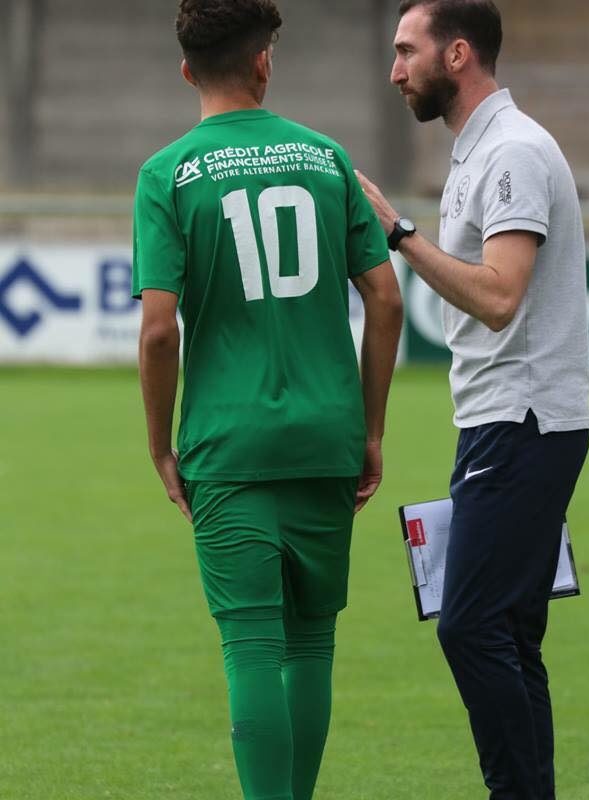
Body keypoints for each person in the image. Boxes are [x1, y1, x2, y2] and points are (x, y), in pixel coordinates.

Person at [132, 1, 403, 799]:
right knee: (311, 644)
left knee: (250, 647)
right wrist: (372, 429)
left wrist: (158, 445)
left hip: (228, 440)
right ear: (264, 62)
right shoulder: (327, 158)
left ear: (187, 70)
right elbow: (385, 300)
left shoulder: (168, 173)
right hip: (327, 433)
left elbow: (157, 331)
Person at [357, 1, 589, 798]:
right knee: (513, 632)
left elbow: (499, 298)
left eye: (406, 51)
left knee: (470, 627)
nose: (395, 71)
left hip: (524, 420)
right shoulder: (479, 153)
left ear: (458, 55)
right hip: (504, 419)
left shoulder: (514, 153)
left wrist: (397, 231)